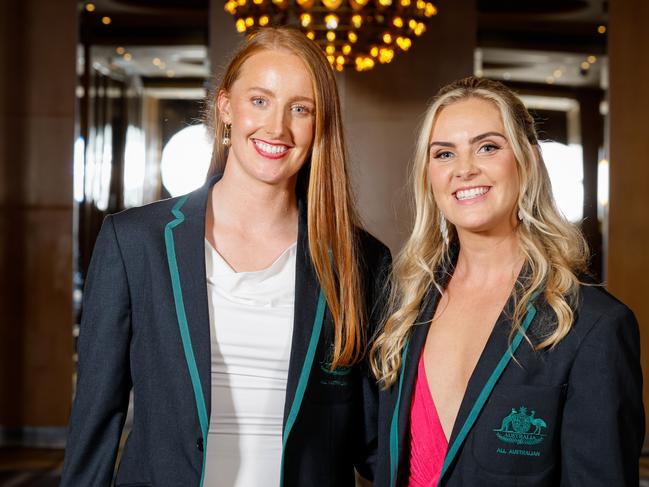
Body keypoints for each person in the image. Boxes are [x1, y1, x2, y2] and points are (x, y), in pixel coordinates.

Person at [61, 27, 390, 487]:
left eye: (301, 109)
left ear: (319, 126)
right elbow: (97, 418)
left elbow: (377, 442)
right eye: (260, 100)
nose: (277, 127)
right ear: (225, 107)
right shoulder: (135, 242)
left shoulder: (362, 260)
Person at [370, 76, 644, 487]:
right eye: (444, 153)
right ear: (428, 174)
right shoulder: (401, 308)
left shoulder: (595, 326)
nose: (464, 169)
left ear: (528, 159)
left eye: (487, 147)